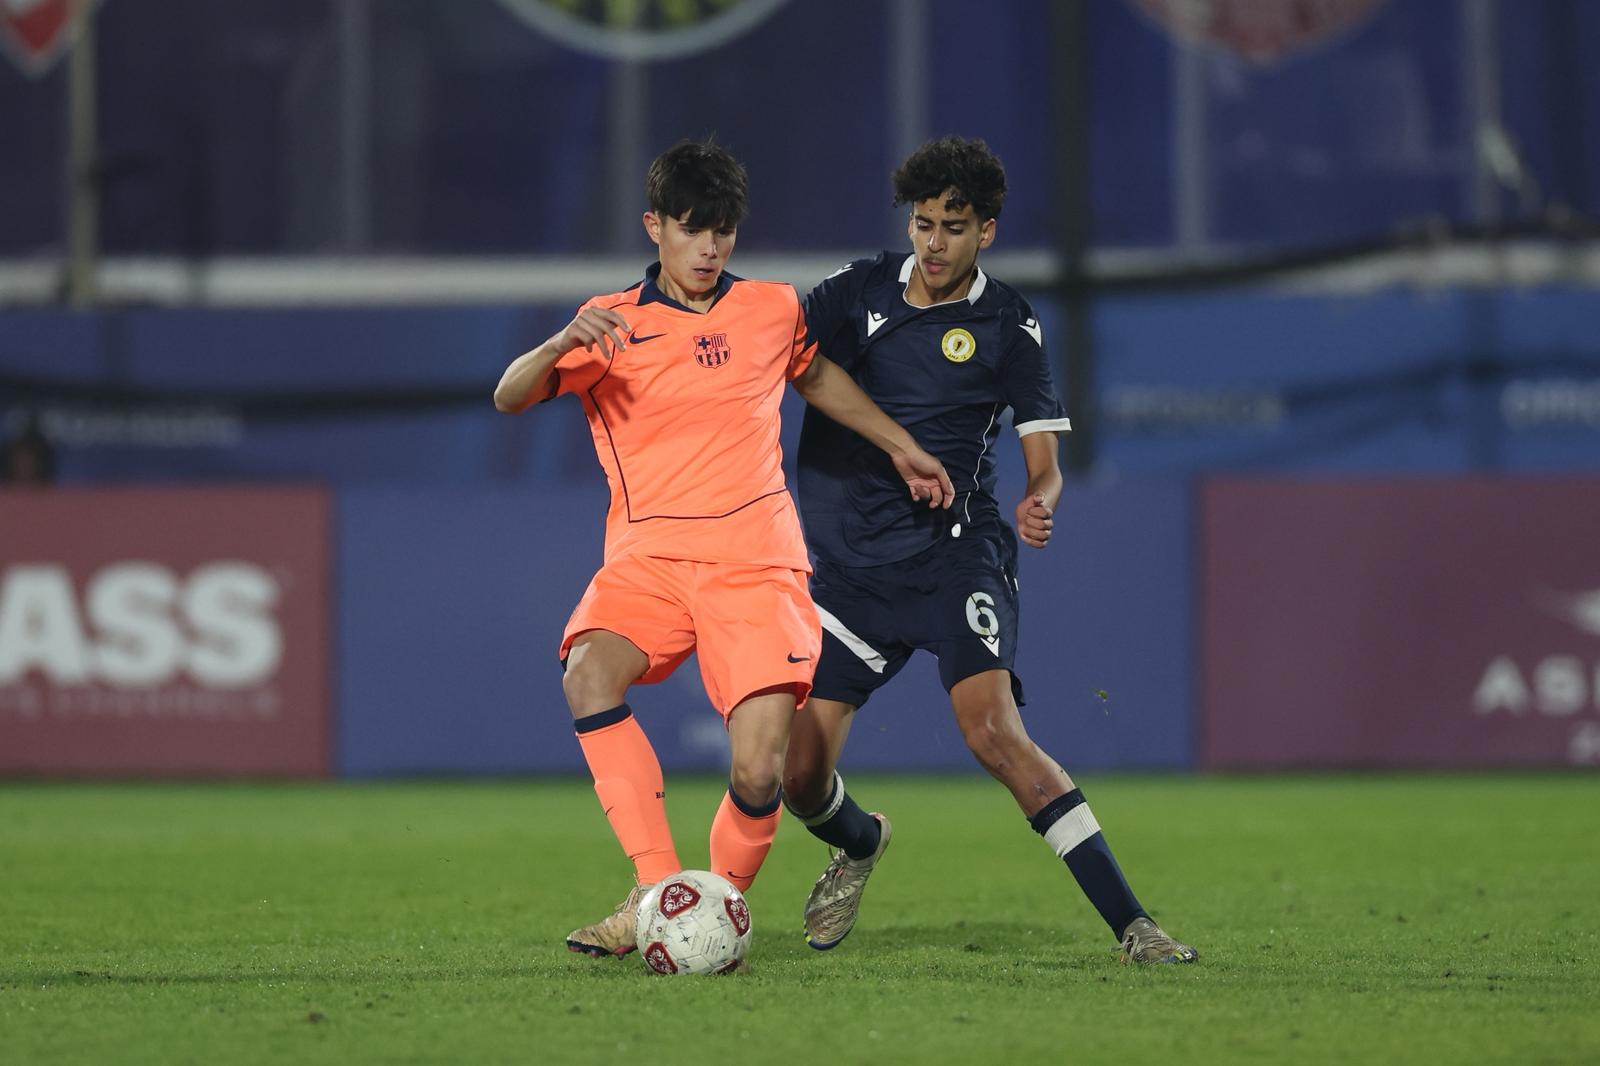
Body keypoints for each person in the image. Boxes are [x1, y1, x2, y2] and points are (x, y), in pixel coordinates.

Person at [492, 139, 954, 960]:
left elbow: (815, 378)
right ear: (655, 227)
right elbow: (509, 396)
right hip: (650, 561)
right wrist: (560, 341)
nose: (710, 248)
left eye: (724, 231)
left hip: (756, 562)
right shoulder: (610, 323)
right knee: (588, 672)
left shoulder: (771, 308)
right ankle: (653, 894)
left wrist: (901, 446)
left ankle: (707, 911)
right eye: (693, 229)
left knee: (760, 773)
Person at [781, 136, 1197, 964]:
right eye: (923, 223)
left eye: (954, 226)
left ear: (987, 232)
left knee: (995, 735)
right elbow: (788, 356)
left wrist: (1041, 499)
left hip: (954, 557)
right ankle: (860, 843)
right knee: (796, 777)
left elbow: (1045, 458)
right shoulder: (857, 290)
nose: (934, 243)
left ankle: (1135, 926)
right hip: (852, 573)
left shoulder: (1008, 323)